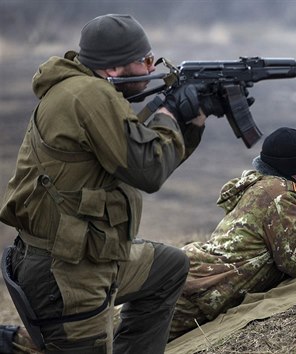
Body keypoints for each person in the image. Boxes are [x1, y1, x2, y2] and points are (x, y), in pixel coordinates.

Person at [0, 14, 216, 354]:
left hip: (90, 256)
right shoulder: (88, 97)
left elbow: (142, 153)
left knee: (170, 267)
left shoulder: (89, 90)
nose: (150, 67)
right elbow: (149, 171)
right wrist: (170, 114)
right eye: (144, 60)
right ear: (114, 68)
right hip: (65, 275)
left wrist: (193, 121)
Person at [167, 127, 296, 339]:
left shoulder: (262, 186)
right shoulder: (279, 195)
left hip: (192, 282)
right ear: (290, 168)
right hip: (195, 296)